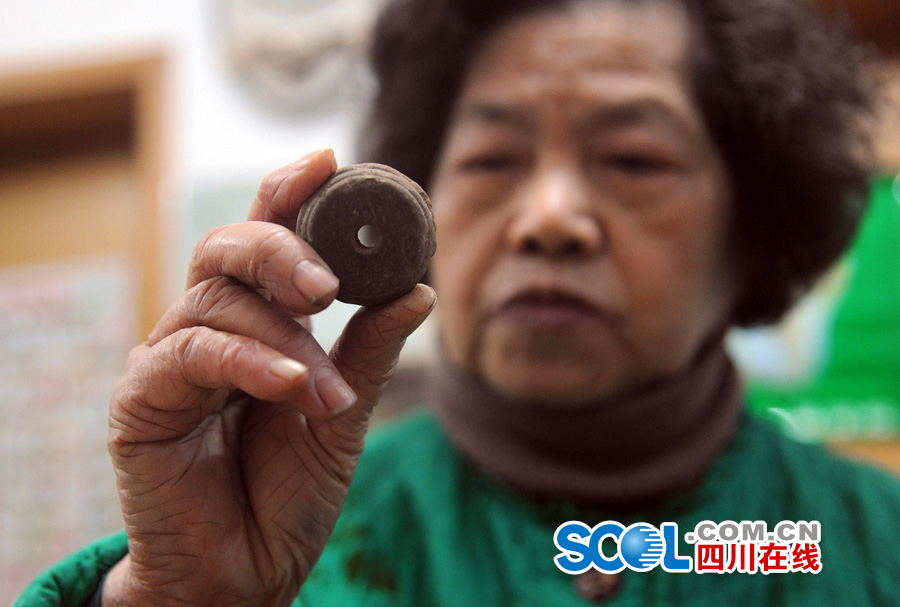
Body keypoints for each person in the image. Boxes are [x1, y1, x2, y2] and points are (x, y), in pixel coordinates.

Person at [15, 0, 900, 605]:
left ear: (754, 223)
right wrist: (172, 599)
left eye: (635, 159)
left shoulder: (870, 541)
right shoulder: (282, 538)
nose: (548, 217)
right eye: (491, 160)